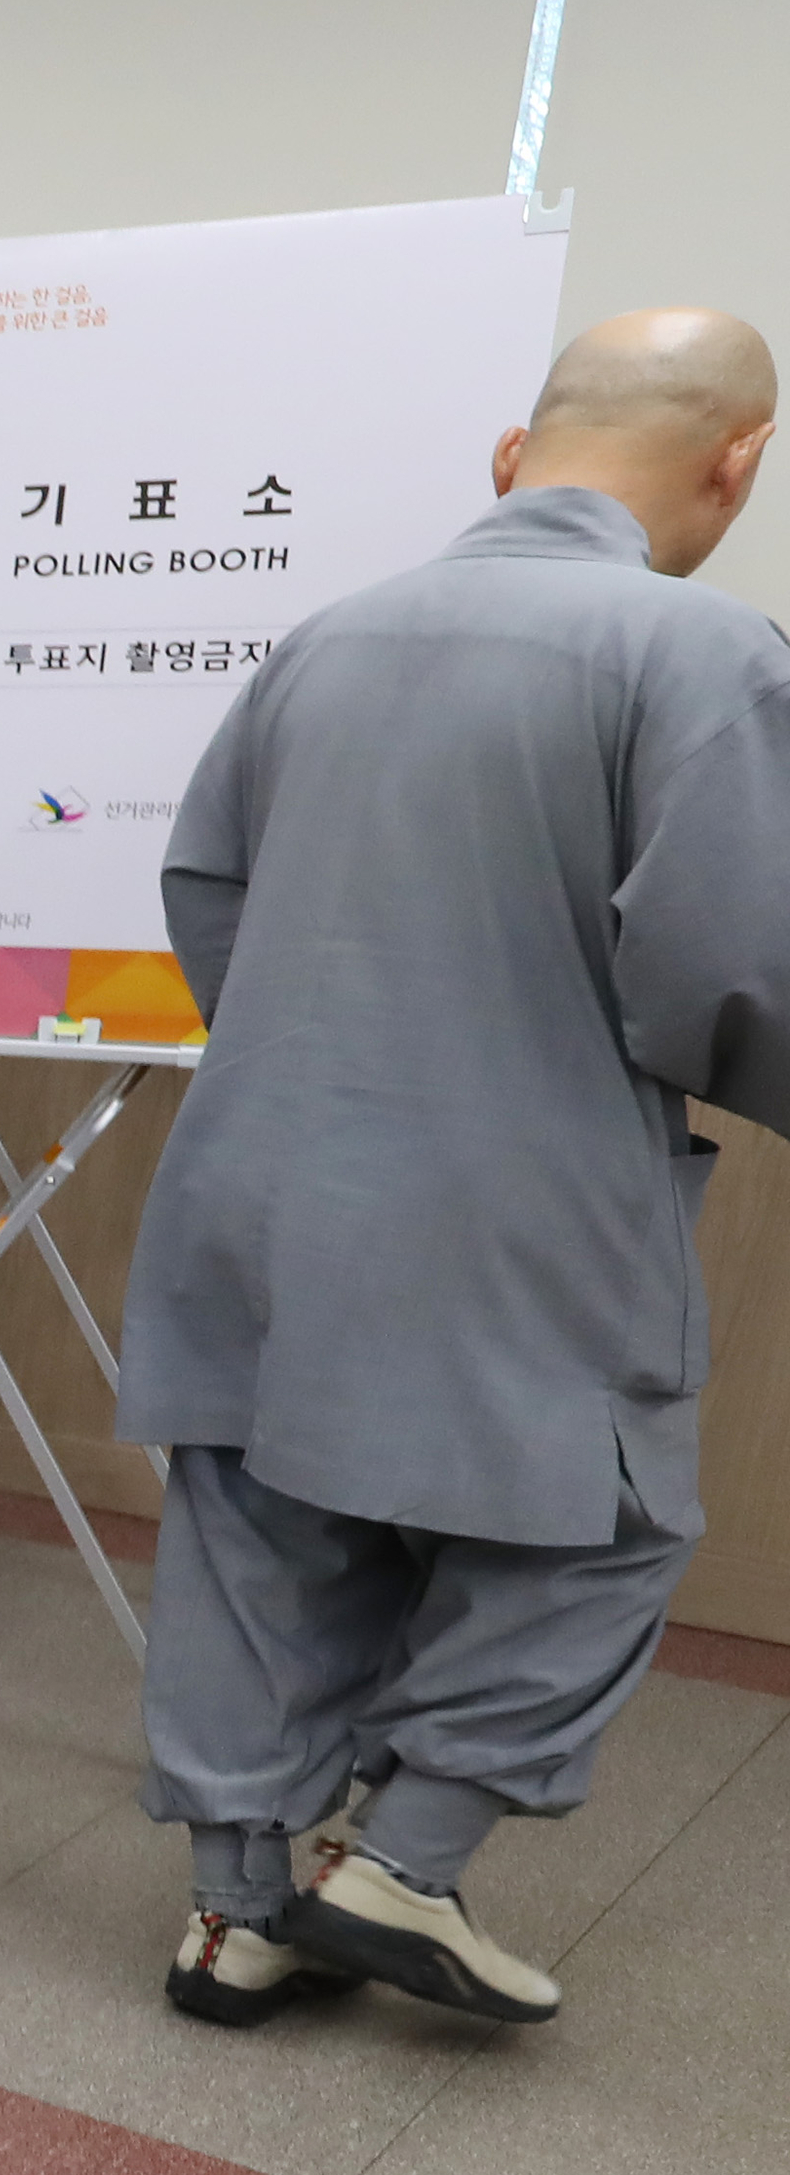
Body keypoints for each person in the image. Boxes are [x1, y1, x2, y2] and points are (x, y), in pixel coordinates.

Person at [122, 308, 790, 2032]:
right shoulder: (698, 653)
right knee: (601, 1526)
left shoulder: (324, 640)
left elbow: (206, 889)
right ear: (738, 458)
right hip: (528, 1177)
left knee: (268, 1517)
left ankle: (235, 1917)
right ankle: (404, 1861)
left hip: (264, 1166)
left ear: (513, 452)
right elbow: (733, 962)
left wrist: (312, 1047)